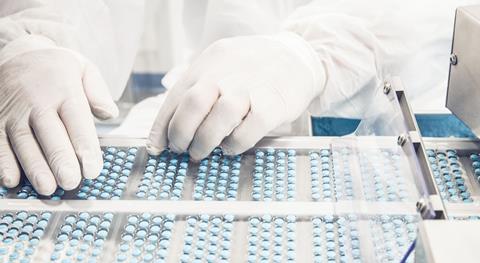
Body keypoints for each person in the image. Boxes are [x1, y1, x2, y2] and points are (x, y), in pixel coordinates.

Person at [0, 0, 477, 195]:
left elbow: (444, 17)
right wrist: (33, 42)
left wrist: (312, 55)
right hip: (208, 121)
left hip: (402, 124)